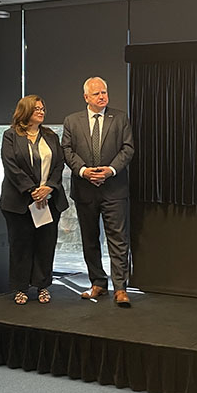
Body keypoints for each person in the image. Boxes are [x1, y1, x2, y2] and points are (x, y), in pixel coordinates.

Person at [62, 77, 135, 307]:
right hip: (85, 190)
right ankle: (98, 283)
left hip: (114, 188)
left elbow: (128, 148)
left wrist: (110, 170)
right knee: (90, 240)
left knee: (118, 240)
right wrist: (84, 171)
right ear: (86, 97)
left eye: (104, 92)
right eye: (96, 94)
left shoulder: (120, 118)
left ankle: (120, 288)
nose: (102, 96)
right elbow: (67, 150)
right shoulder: (72, 121)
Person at [0, 95, 69, 305]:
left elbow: (59, 165)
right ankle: (20, 288)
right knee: (20, 246)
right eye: (36, 108)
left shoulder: (50, 136)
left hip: (49, 201)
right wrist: (32, 190)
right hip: (19, 203)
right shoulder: (10, 136)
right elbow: (11, 166)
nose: (41, 111)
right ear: (25, 111)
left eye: (42, 108)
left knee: (45, 245)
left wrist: (48, 188)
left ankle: (42, 286)